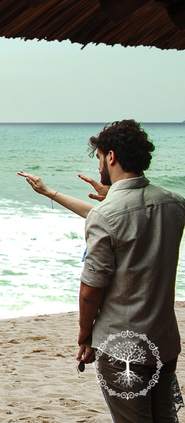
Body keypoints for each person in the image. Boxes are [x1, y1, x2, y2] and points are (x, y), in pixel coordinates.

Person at [75, 120, 184, 423]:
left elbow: (92, 287)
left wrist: (85, 332)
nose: (99, 164)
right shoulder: (174, 204)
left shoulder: (105, 214)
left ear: (111, 157)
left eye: (99, 157)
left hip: (121, 346)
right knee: (164, 418)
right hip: (164, 341)